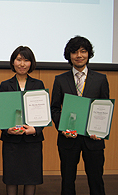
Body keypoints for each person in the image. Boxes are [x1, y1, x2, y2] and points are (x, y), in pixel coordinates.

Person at [51, 36, 109, 195]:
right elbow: (54, 108)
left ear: (89, 54)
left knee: (96, 180)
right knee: (68, 180)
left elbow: (105, 108)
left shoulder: (101, 79)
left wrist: (101, 131)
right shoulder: (60, 80)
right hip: (68, 139)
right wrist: (62, 127)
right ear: (69, 55)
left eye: (83, 51)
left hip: (94, 139)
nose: (79, 55)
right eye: (75, 52)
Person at [0, 46, 45, 195]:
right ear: (13, 62)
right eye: (19, 59)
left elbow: (44, 114)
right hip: (12, 141)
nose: (22, 64)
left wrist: (36, 130)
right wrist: (7, 129)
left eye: (26, 60)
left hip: (32, 141)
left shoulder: (38, 84)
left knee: (31, 178)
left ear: (31, 63)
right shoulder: (5, 85)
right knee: (12, 178)